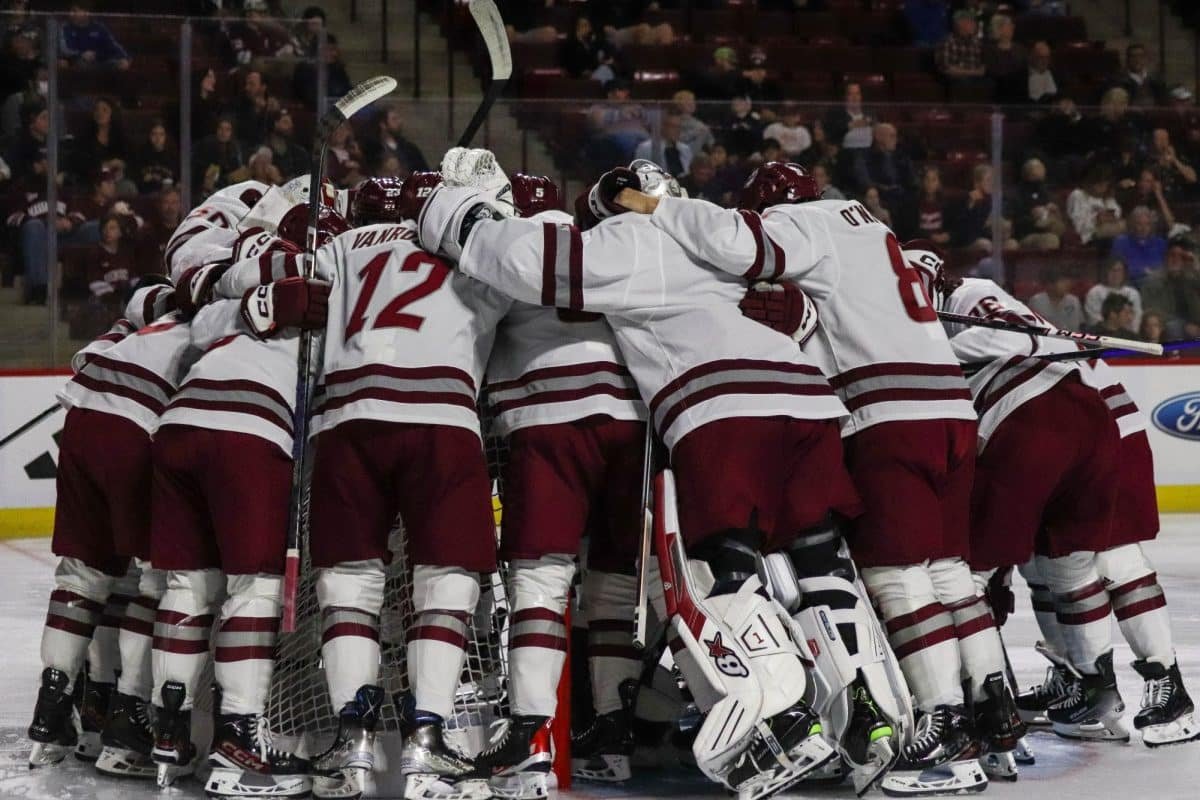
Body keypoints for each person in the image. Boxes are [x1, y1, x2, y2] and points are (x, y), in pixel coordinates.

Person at [417, 158, 863, 798]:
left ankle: (534, 737)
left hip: (561, 421)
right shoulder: (708, 238)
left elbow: (517, 273)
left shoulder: (588, 243)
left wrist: (447, 217)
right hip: (659, 428)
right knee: (636, 586)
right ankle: (631, 731)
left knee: (565, 579)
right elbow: (795, 309)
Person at [620, 166, 1018, 794]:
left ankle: (940, 725)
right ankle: (989, 708)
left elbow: (738, 247)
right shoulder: (869, 226)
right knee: (944, 573)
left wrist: (659, 207)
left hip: (886, 411)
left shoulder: (800, 225)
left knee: (892, 577)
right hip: (948, 407)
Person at [259, 173, 509, 800]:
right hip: (442, 421)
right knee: (445, 585)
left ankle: (352, 746)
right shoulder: (465, 242)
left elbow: (279, 274)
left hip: (347, 422)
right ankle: (426, 743)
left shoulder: (341, 247)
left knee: (348, 588)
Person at [149, 207, 334, 797]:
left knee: (187, 585)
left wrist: (255, 304)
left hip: (177, 424)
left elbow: (199, 326)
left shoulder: (248, 278)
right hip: (249, 430)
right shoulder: (346, 279)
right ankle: (238, 741)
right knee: (251, 588)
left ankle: (169, 732)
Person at [931, 269, 1128, 744]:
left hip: (1024, 422)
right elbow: (1017, 341)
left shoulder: (963, 298)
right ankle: (1094, 687)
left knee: (970, 571)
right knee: (1068, 567)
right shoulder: (985, 299)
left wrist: (924, 351)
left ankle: (981, 702)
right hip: (1090, 417)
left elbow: (999, 342)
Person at [24, 279, 176, 773]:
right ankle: (125, 726)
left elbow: (83, 362)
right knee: (153, 581)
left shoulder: (132, 328)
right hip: (139, 431)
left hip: (81, 421)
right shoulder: (218, 321)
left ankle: (57, 711)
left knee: (84, 577)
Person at [1140, 236, 1200, 340]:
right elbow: (1152, 310)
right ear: (1165, 257)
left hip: (1194, 324)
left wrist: (1196, 268)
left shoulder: (1191, 279)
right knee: (1174, 328)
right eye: (1172, 255)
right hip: (1168, 324)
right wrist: (1184, 325)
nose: (1176, 259)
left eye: (1182, 257)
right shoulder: (1153, 281)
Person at [851, 122, 915, 211]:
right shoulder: (864, 156)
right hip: (880, 197)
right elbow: (863, 179)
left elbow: (911, 179)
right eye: (892, 136)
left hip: (901, 195)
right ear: (878, 137)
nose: (896, 140)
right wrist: (877, 188)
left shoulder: (900, 155)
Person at [954, 164, 1016, 252]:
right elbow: (962, 232)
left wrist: (1006, 227)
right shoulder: (967, 200)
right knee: (985, 244)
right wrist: (986, 223)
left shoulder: (1000, 199)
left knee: (1012, 244)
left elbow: (1009, 228)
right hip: (972, 241)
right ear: (977, 183)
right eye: (988, 180)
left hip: (994, 240)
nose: (992, 184)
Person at [1011, 157, 1065, 250]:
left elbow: (1058, 222)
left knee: (1058, 228)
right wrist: (1032, 217)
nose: (1039, 181)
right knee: (1051, 240)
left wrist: (1055, 213)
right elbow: (1015, 223)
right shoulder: (1016, 194)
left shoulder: (1045, 192)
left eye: (1041, 177)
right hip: (1026, 234)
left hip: (1047, 229)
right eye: (1035, 176)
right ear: (1027, 175)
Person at [361, 103, 429, 176]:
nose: (399, 122)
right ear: (383, 125)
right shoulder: (374, 150)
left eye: (399, 118)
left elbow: (424, 172)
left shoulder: (410, 149)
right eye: (394, 119)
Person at [59, 2, 130, 70]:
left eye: (75, 11)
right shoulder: (65, 28)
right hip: (75, 62)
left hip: (99, 62)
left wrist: (124, 58)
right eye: (70, 11)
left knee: (119, 64)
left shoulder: (99, 27)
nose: (71, 14)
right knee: (78, 64)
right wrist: (82, 54)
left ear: (87, 13)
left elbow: (113, 46)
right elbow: (65, 50)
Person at [193, 117, 248, 200]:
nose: (223, 132)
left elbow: (237, 172)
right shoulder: (207, 145)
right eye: (220, 128)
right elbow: (204, 171)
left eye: (227, 130)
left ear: (231, 133)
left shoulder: (235, 148)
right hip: (206, 187)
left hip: (228, 189)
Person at [1067, 165, 1124, 245]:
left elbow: (1116, 213)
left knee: (1129, 226)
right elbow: (1077, 226)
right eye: (1100, 185)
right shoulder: (1078, 195)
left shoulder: (1108, 198)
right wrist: (1096, 220)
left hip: (1111, 230)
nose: (1103, 188)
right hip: (1090, 234)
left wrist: (1111, 218)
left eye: (1106, 185)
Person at [1111, 206, 1168, 285]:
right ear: (1132, 225)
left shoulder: (1160, 243)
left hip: (1159, 282)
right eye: (1139, 224)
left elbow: (1167, 266)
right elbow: (1118, 269)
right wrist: (1144, 271)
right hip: (1132, 283)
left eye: (1147, 224)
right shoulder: (1121, 242)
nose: (1144, 228)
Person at [560, 13, 619, 83]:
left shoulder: (597, 41)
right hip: (576, 77)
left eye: (586, 25)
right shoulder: (569, 44)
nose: (583, 29)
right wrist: (579, 41)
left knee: (606, 70)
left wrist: (607, 60)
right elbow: (569, 64)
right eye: (580, 26)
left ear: (590, 27)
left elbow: (609, 54)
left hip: (596, 75)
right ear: (575, 28)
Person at [1085, 258, 1143, 329]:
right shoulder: (1095, 292)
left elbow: (1137, 318)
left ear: (1124, 273)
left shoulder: (1133, 293)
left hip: (1128, 334)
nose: (1116, 274)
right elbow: (1093, 319)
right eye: (1112, 270)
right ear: (1106, 272)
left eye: (1119, 270)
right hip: (1102, 334)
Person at [633, 112, 693, 177]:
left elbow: (687, 173)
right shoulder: (646, 148)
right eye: (673, 127)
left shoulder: (685, 149)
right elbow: (640, 173)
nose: (677, 130)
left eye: (679, 127)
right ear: (663, 127)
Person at [822, 82, 874, 153]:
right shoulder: (835, 115)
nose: (855, 97)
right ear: (845, 97)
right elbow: (831, 137)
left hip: (869, 153)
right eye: (850, 94)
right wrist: (849, 126)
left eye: (857, 94)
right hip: (845, 154)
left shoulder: (870, 113)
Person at [937, 10, 987, 84]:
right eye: (971, 22)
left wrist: (980, 71)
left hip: (977, 78)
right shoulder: (947, 42)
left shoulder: (977, 42)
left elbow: (983, 66)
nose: (974, 25)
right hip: (957, 80)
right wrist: (973, 72)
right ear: (960, 24)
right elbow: (947, 69)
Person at [1148, 128, 1197, 201]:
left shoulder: (1180, 159)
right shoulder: (1148, 161)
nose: (1163, 142)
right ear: (1152, 142)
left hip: (1180, 201)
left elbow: (1193, 178)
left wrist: (1174, 160)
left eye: (1165, 139)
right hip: (1156, 201)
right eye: (1159, 139)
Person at [233, 69, 277, 148]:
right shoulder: (239, 103)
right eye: (246, 84)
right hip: (243, 146)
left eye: (251, 84)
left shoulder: (272, 106)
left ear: (263, 87)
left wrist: (265, 111)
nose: (247, 88)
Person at [1114, 43, 1167, 107]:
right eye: (1133, 56)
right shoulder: (1119, 82)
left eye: (1140, 56)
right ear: (1127, 59)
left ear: (1146, 58)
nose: (1137, 60)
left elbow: (1164, 103)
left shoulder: (1157, 80)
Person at [133, 120, 178, 194]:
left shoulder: (173, 155)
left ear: (166, 136)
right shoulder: (141, 154)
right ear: (149, 136)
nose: (158, 138)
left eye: (161, 134)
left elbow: (176, 179)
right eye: (154, 134)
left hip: (168, 194)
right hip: (146, 193)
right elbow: (137, 177)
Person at [984, 13, 1026, 89]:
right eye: (1009, 24)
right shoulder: (990, 49)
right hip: (999, 89)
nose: (1013, 27)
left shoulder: (1020, 48)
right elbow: (993, 72)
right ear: (999, 29)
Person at [913, 165, 952, 245]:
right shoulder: (915, 203)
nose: (930, 183)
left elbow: (951, 226)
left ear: (939, 183)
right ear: (922, 181)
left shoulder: (946, 203)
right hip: (921, 244)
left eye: (933, 180)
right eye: (927, 179)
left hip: (940, 244)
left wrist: (947, 235)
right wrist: (930, 236)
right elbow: (912, 230)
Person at [264, 107, 306, 179]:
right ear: (275, 124)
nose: (291, 126)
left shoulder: (299, 152)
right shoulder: (264, 151)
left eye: (291, 122)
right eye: (285, 122)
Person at [720, 94, 764, 160]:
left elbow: (759, 137)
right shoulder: (728, 121)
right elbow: (725, 137)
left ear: (747, 105)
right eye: (735, 100)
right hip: (732, 155)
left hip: (751, 154)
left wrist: (756, 152)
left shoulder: (754, 121)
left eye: (740, 100)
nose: (736, 102)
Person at [671, 89, 714, 155]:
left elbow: (710, 142)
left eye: (692, 100)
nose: (691, 103)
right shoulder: (672, 121)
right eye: (687, 100)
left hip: (696, 159)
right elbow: (675, 140)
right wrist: (695, 133)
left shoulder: (699, 123)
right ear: (678, 104)